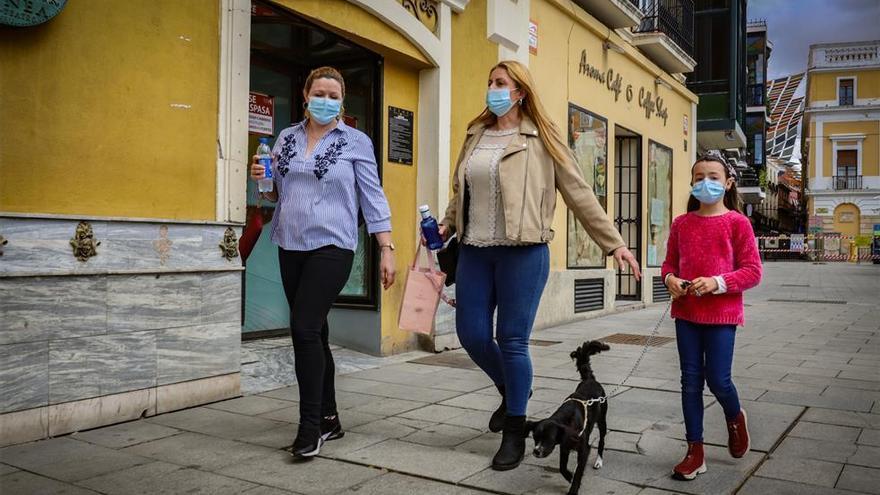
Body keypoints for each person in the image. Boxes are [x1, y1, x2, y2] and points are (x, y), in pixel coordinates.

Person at [438, 60, 640, 471]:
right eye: (490, 82)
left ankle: (515, 430)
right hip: (475, 250)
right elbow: (462, 189)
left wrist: (614, 243)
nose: (492, 89)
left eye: (500, 83)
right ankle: (514, 390)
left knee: (512, 340)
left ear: (520, 92)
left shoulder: (542, 139)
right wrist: (447, 221)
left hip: (524, 252)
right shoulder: (476, 134)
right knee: (472, 335)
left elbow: (580, 194)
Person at [250, 66, 396, 460]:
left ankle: (309, 426)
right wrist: (262, 176)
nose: (326, 100)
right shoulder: (285, 138)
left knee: (302, 327)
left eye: (334, 95)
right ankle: (330, 418)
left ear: (342, 101)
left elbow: (373, 196)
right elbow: (276, 191)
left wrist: (386, 247)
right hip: (290, 244)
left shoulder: (355, 141)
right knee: (316, 332)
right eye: (320, 93)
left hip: (333, 246)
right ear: (305, 95)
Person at [661, 154, 762, 480]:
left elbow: (753, 272)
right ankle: (695, 450)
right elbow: (668, 265)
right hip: (686, 313)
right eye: (700, 176)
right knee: (690, 382)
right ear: (692, 182)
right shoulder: (681, 223)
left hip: (722, 315)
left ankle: (735, 417)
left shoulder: (737, 223)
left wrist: (718, 282)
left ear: (728, 182)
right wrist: (670, 280)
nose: (707, 182)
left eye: (714, 176)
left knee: (718, 379)